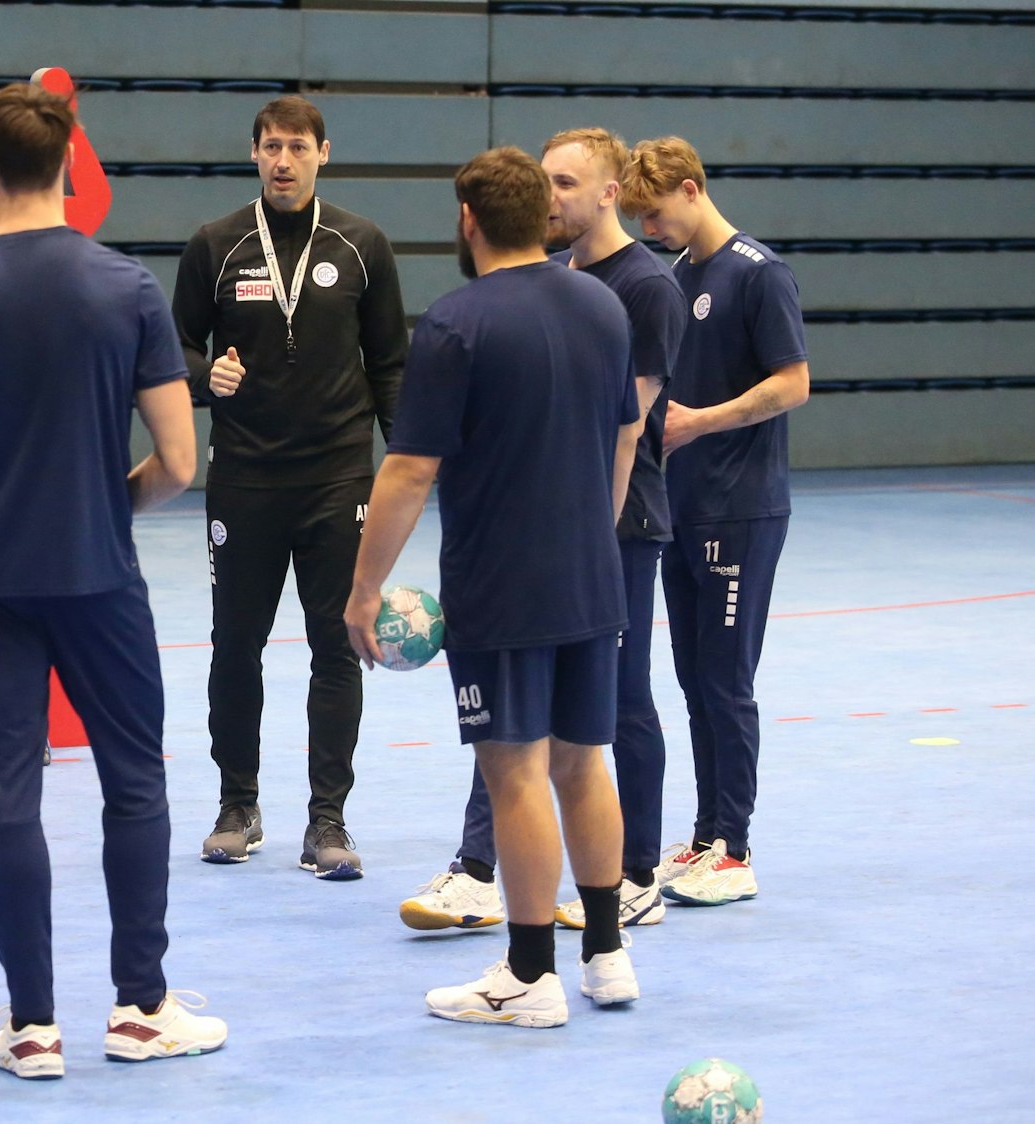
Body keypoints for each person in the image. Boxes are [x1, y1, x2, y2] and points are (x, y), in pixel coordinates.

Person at [0, 83, 225, 1079]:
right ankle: (139, 1005)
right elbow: (174, 460)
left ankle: (33, 1025)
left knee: (9, 796)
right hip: (95, 573)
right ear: (71, 160)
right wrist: (96, 501)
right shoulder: (125, 289)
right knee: (134, 781)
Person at [344, 146, 643, 1028]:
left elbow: (406, 472)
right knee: (584, 762)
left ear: (468, 219)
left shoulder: (455, 323)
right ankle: (607, 957)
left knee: (513, 773)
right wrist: (593, 530)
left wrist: (365, 591)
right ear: (537, 217)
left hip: (503, 586)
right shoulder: (604, 304)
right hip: (593, 577)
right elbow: (626, 436)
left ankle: (528, 974)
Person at [398, 127, 686, 934]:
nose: (553, 197)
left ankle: (635, 874)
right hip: (553, 534)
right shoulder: (555, 281)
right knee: (519, 734)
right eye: (545, 182)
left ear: (608, 192)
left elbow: (629, 431)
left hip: (610, 525)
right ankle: (481, 867)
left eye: (568, 183)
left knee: (605, 718)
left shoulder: (639, 289)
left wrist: (594, 525)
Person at [170, 95, 408, 879]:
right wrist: (209, 376)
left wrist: (408, 459)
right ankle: (237, 803)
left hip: (339, 477)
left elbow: (389, 367)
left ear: (322, 153)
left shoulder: (363, 244)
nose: (283, 160)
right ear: (254, 154)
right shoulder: (215, 245)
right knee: (234, 645)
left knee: (336, 646)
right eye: (271, 147)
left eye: (297, 148)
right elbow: (172, 348)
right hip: (243, 479)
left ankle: (327, 820)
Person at [620, 136, 810, 906]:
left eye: (656, 213)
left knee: (726, 681)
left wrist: (702, 423)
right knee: (694, 678)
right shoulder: (675, 277)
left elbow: (793, 383)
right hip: (682, 509)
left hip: (742, 507)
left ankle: (735, 847)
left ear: (692, 189)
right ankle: (705, 838)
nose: (650, 228)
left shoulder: (760, 275)